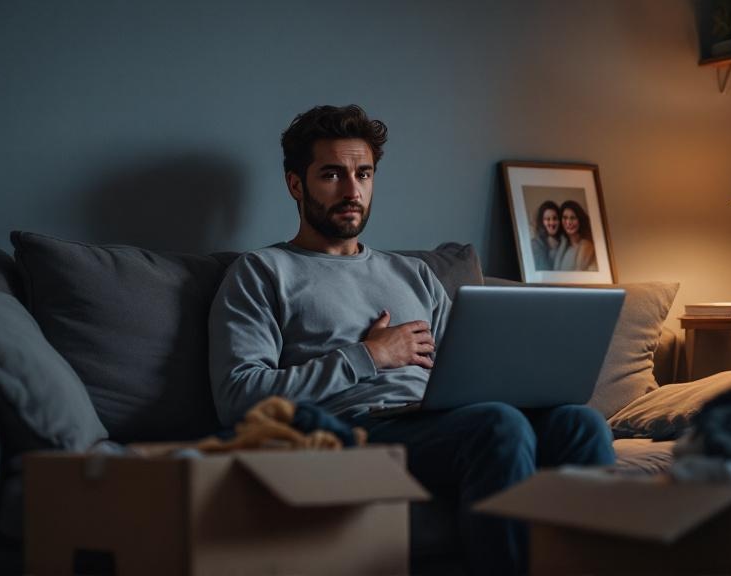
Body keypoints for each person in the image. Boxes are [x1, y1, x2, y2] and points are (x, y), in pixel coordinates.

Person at [208, 104, 615, 575]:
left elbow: (466, 366)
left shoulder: (413, 273)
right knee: (498, 426)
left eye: (363, 174)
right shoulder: (262, 272)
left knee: (579, 423)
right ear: (296, 184)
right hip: (359, 431)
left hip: (438, 421)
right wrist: (370, 355)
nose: (352, 190)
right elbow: (239, 398)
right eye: (332, 175)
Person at [557, 199, 598, 271]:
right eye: (565, 218)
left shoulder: (586, 244)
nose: (568, 222)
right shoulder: (564, 244)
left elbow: (578, 274)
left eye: (573, 218)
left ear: (580, 220)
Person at [530, 200, 564, 271]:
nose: (552, 223)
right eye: (547, 219)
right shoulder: (535, 244)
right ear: (542, 222)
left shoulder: (564, 241)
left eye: (555, 218)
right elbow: (544, 271)